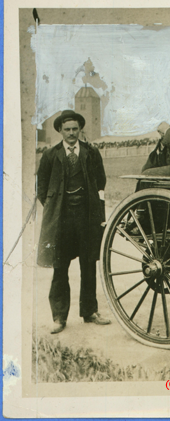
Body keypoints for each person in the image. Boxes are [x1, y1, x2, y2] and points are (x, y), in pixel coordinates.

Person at [36, 110, 111, 334]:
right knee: (60, 267)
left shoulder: (90, 153)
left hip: (87, 217)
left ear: (80, 130)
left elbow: (101, 181)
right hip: (62, 219)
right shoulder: (50, 155)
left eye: (75, 129)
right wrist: (57, 208)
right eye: (67, 129)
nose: (71, 133)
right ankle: (59, 317)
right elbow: (42, 189)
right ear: (59, 131)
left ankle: (90, 311)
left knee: (88, 264)